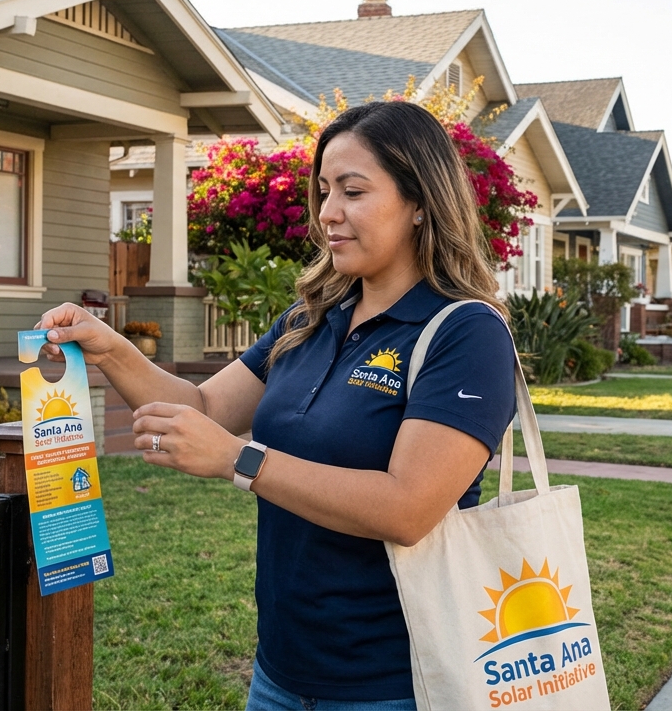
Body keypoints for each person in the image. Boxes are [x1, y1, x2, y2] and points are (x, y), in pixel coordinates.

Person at [36, 101, 519, 708]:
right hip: (280, 675)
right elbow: (206, 406)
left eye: (353, 191)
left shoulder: (464, 332)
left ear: (420, 202)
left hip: (396, 684)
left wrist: (242, 461)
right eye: (323, 192)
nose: (329, 215)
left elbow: (408, 508)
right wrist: (109, 349)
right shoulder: (311, 319)